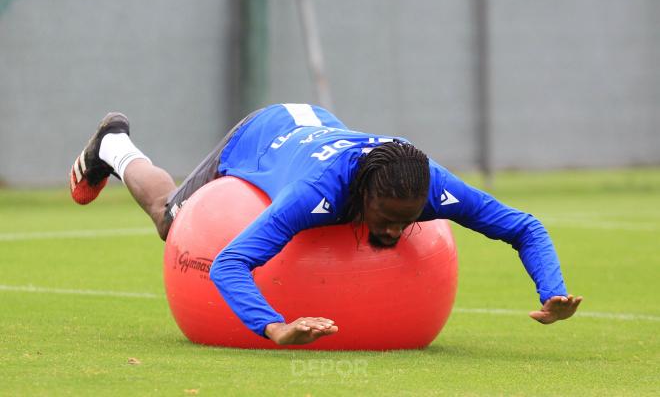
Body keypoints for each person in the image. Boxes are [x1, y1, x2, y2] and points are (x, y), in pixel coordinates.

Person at [70, 103, 582, 346]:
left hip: (320, 124)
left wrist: (552, 290)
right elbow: (229, 263)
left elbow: (525, 226)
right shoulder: (315, 194)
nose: (394, 235)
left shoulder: (431, 185)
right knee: (169, 218)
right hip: (264, 135)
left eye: (408, 223)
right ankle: (112, 144)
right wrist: (275, 326)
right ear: (360, 196)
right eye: (385, 222)